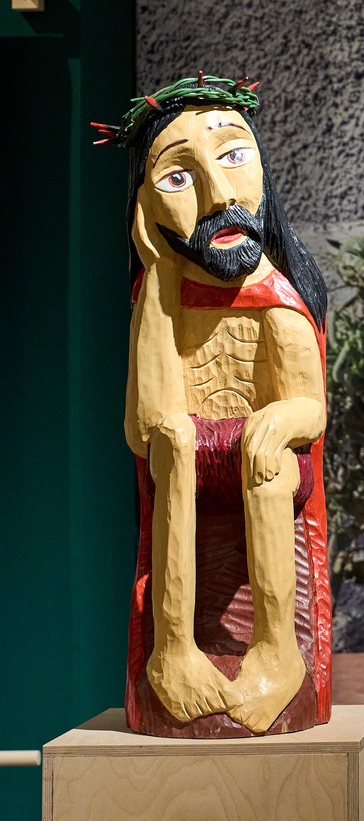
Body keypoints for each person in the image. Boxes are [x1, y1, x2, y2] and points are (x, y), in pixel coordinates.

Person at [102, 75, 331, 736]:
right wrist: (157, 275)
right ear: (146, 206)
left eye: (234, 156)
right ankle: (173, 651)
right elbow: (144, 427)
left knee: (269, 461)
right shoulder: (161, 299)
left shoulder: (276, 297)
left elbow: (308, 408)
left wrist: (277, 421)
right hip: (189, 462)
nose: (220, 195)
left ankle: (276, 650)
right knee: (173, 442)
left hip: (264, 464)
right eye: (178, 177)